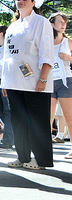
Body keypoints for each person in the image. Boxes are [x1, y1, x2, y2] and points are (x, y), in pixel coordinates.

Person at [2, 0, 54, 170]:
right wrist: (5, 81)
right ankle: (22, 156)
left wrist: (43, 78)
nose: (21, 1)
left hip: (35, 82)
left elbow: (47, 52)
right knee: (18, 121)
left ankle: (41, 160)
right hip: (14, 82)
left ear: (33, 3)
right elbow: (8, 56)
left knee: (37, 122)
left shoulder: (41, 22)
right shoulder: (13, 26)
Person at [48, 12, 72, 159]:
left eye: (65, 22)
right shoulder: (46, 42)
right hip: (49, 82)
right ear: (52, 24)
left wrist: (70, 58)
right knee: (47, 118)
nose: (63, 25)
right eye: (60, 22)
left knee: (69, 117)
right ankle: (44, 150)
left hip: (66, 81)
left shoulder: (68, 42)